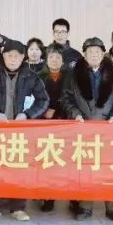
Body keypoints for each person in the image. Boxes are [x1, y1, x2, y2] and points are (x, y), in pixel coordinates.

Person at [0, 40, 49, 221]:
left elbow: (43, 100)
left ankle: (18, 207)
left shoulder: (32, 77)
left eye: (17, 55)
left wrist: (28, 115)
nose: (13, 59)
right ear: (3, 56)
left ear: (23, 57)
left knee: (20, 169)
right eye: (9, 55)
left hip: (21, 132)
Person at [60, 37, 113, 221]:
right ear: (84, 54)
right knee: (85, 167)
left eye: (97, 51)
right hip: (83, 127)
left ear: (103, 53)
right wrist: (75, 114)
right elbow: (66, 98)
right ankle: (85, 206)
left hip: (109, 128)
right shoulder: (73, 75)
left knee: (111, 167)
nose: (94, 55)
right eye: (90, 52)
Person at [37, 44, 68, 213]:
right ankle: (47, 196)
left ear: (63, 60)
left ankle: (73, 198)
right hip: (45, 123)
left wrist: (56, 109)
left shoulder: (70, 77)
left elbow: (72, 97)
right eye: (51, 57)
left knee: (67, 160)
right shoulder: (39, 76)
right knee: (47, 160)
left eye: (58, 57)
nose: (54, 60)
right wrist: (44, 110)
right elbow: (35, 97)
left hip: (65, 121)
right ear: (46, 59)